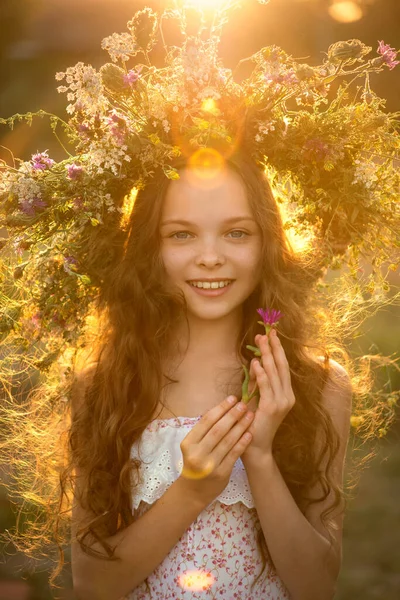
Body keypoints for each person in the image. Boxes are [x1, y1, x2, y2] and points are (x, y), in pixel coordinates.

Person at [70, 150, 352, 600]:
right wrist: (191, 492)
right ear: (149, 247)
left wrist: (259, 457)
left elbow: (317, 587)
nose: (209, 257)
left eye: (237, 233)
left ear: (269, 244)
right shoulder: (105, 385)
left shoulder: (317, 385)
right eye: (181, 234)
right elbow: (89, 586)